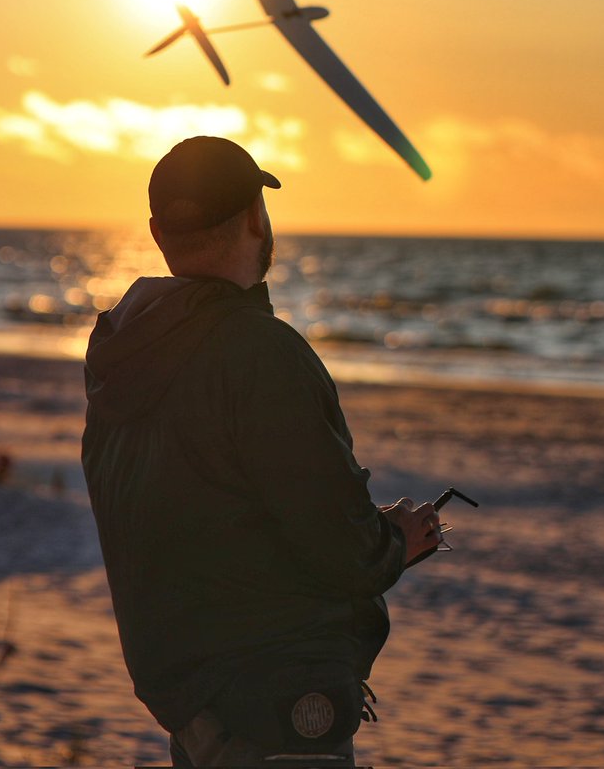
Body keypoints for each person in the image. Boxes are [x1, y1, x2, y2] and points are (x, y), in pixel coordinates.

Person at [82, 136, 444, 767]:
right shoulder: (259, 353)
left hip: (190, 698)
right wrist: (396, 541)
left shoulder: (123, 354)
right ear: (256, 217)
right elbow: (338, 544)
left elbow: (202, 520)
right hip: (275, 703)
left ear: (158, 230)